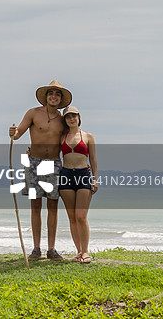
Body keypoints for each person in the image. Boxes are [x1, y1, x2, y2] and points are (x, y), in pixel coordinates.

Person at [9, 80, 72, 261]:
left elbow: (70, 140)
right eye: (51, 93)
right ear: (46, 96)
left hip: (54, 163)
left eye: (57, 94)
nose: (54, 96)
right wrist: (12, 132)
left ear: (61, 99)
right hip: (33, 162)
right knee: (35, 206)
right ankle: (36, 248)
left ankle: (51, 248)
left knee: (53, 207)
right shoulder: (33, 113)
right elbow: (18, 133)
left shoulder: (63, 120)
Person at [58, 105, 98, 263]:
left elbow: (93, 159)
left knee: (81, 216)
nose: (72, 119)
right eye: (68, 116)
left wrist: (95, 179)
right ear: (65, 120)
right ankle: (79, 251)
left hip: (83, 175)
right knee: (72, 217)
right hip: (66, 175)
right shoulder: (61, 137)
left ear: (79, 117)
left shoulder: (88, 136)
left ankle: (86, 251)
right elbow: (51, 153)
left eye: (74, 116)